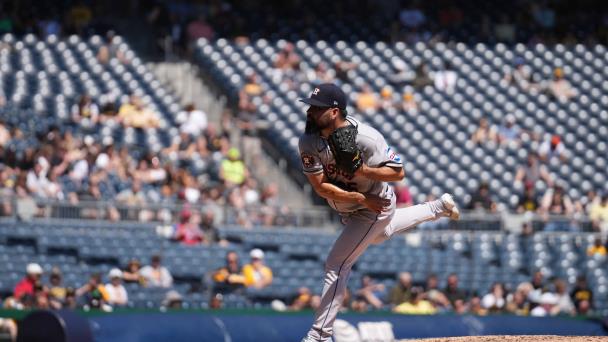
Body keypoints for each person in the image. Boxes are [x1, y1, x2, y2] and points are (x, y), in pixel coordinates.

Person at [298, 83, 459, 342]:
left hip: (374, 206)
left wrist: (363, 172)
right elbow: (319, 187)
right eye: (310, 106)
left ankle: (319, 335)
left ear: (334, 111)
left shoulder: (366, 137)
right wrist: (358, 196)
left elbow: (398, 172)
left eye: (317, 108)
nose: (310, 112)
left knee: (337, 264)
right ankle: (437, 207)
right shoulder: (308, 140)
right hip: (360, 203)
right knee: (383, 233)